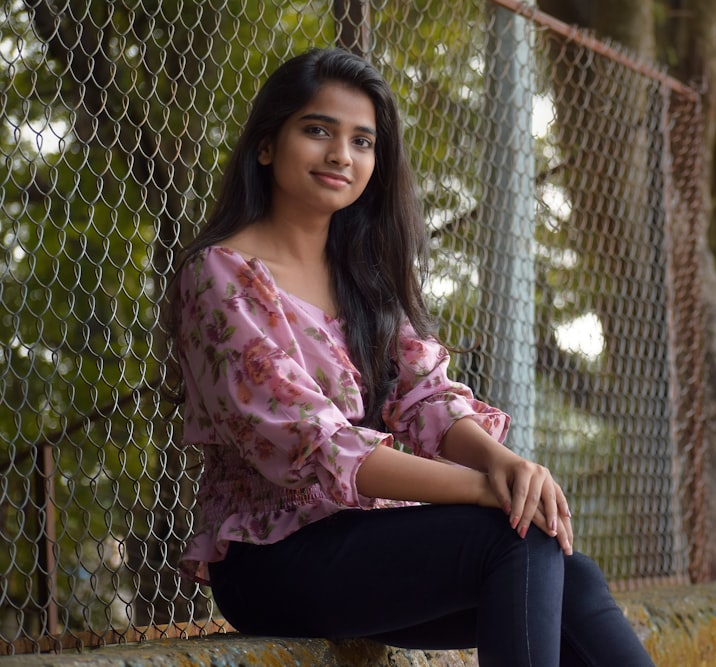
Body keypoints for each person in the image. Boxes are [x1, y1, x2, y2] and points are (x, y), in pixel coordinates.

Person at [166, 47, 654, 667]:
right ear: (266, 145)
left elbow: (427, 397)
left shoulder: (363, 280)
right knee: (516, 540)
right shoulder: (222, 277)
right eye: (318, 130)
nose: (341, 154)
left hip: (362, 542)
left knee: (569, 572)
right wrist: (480, 491)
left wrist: (505, 465)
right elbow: (318, 445)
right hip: (273, 558)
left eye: (362, 140)